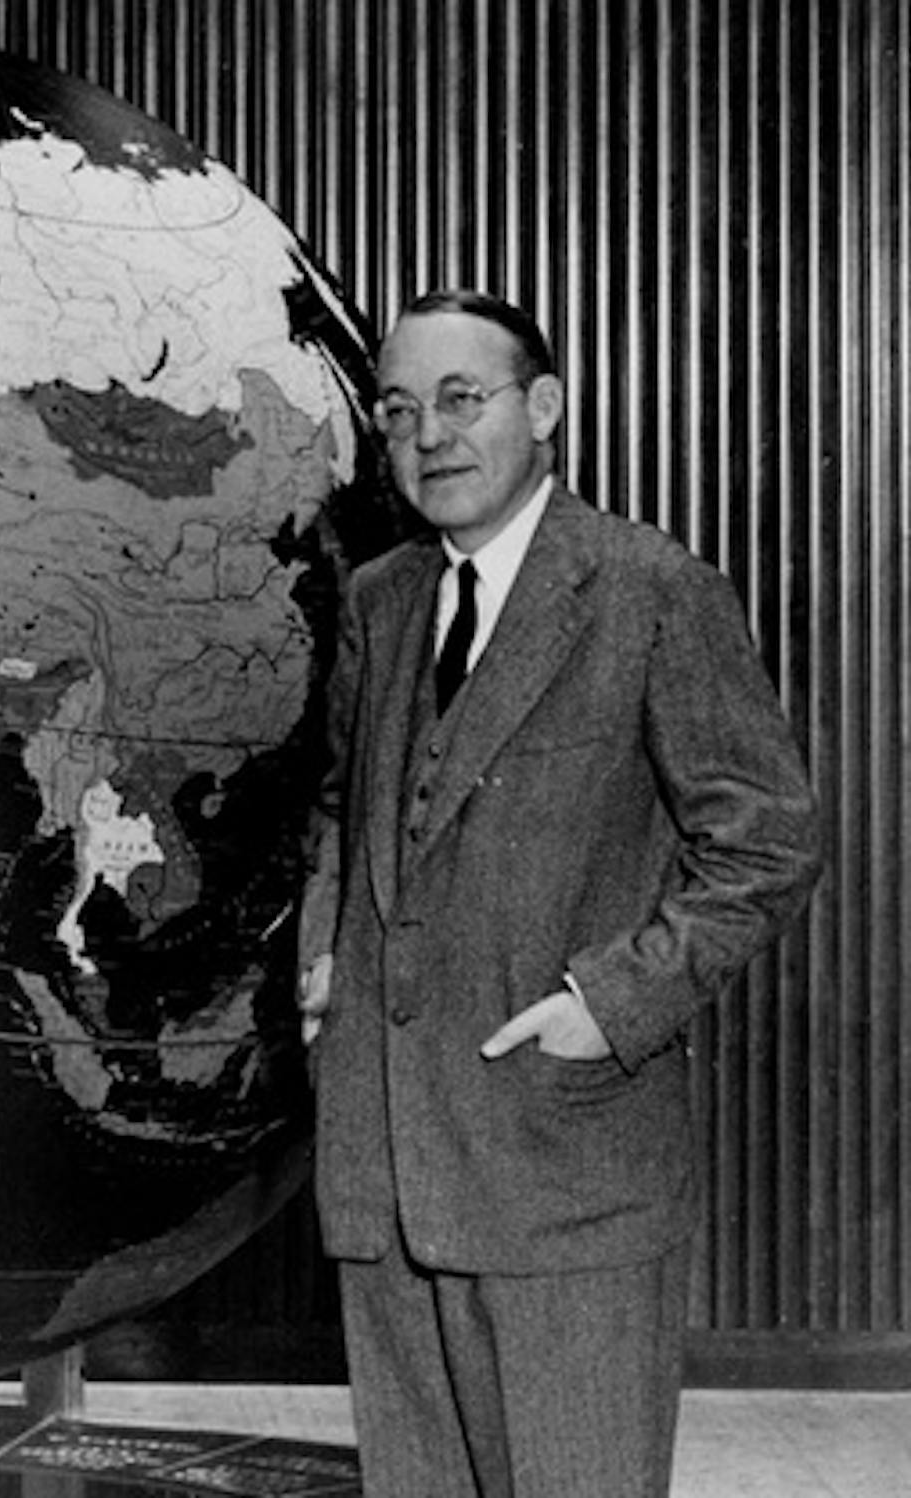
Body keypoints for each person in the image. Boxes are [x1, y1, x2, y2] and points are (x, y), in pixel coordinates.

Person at [294, 289, 821, 1497]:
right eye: (399, 408)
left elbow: (768, 842)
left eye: (462, 399)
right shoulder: (380, 601)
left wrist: (611, 1002)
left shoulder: (649, 592)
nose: (429, 434)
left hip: (565, 1171)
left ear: (545, 408)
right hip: (386, 1175)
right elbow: (338, 804)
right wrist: (322, 957)